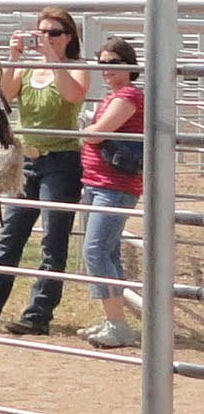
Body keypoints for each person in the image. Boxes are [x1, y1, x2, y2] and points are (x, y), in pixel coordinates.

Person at [0, 8, 90, 335]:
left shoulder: (76, 68)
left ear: (68, 36)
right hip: (26, 160)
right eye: (41, 32)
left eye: (54, 32)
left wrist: (52, 59)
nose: (46, 37)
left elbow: (73, 95)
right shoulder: (29, 68)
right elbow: (5, 95)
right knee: (10, 236)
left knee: (53, 242)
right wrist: (14, 57)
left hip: (61, 161)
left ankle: (37, 315)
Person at [78, 36, 144, 348]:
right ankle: (113, 320)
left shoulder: (128, 95)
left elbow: (97, 134)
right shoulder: (115, 95)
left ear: (130, 66)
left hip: (114, 186)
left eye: (113, 64)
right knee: (106, 252)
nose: (106, 70)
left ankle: (117, 324)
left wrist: (88, 131)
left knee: (96, 250)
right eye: (102, 64)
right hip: (99, 184)